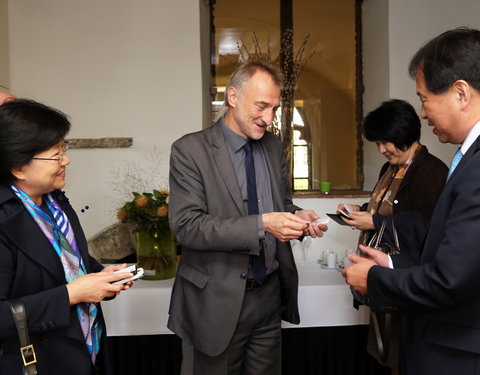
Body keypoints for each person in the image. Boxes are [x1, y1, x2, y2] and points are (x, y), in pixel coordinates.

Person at [168, 60, 327, 375]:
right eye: (261, 106)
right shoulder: (190, 150)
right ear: (232, 97)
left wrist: (298, 217)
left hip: (268, 296)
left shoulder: (271, 146)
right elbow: (187, 227)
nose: (269, 118)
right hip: (216, 300)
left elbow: (279, 203)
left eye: (275, 109)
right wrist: (263, 225)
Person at [343, 27, 480, 375]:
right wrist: (391, 265)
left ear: (460, 93)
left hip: (456, 350)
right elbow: (455, 255)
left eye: (424, 98)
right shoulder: (466, 159)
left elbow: (451, 279)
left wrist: (375, 278)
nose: (423, 112)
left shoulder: (467, 167)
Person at [0, 99, 135, 375]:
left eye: (64, 149)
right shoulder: (4, 219)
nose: (66, 160)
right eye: (55, 154)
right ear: (17, 167)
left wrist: (102, 275)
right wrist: (72, 295)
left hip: (86, 349)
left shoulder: (54, 201)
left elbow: (66, 262)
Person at [338, 99, 448, 369]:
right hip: (388, 278)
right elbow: (386, 209)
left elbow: (431, 228)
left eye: (385, 142)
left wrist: (374, 221)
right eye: (377, 143)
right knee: (391, 355)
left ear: (404, 134)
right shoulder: (392, 169)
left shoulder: (430, 171)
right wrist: (359, 211)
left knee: (407, 356)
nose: (382, 149)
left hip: (409, 278)